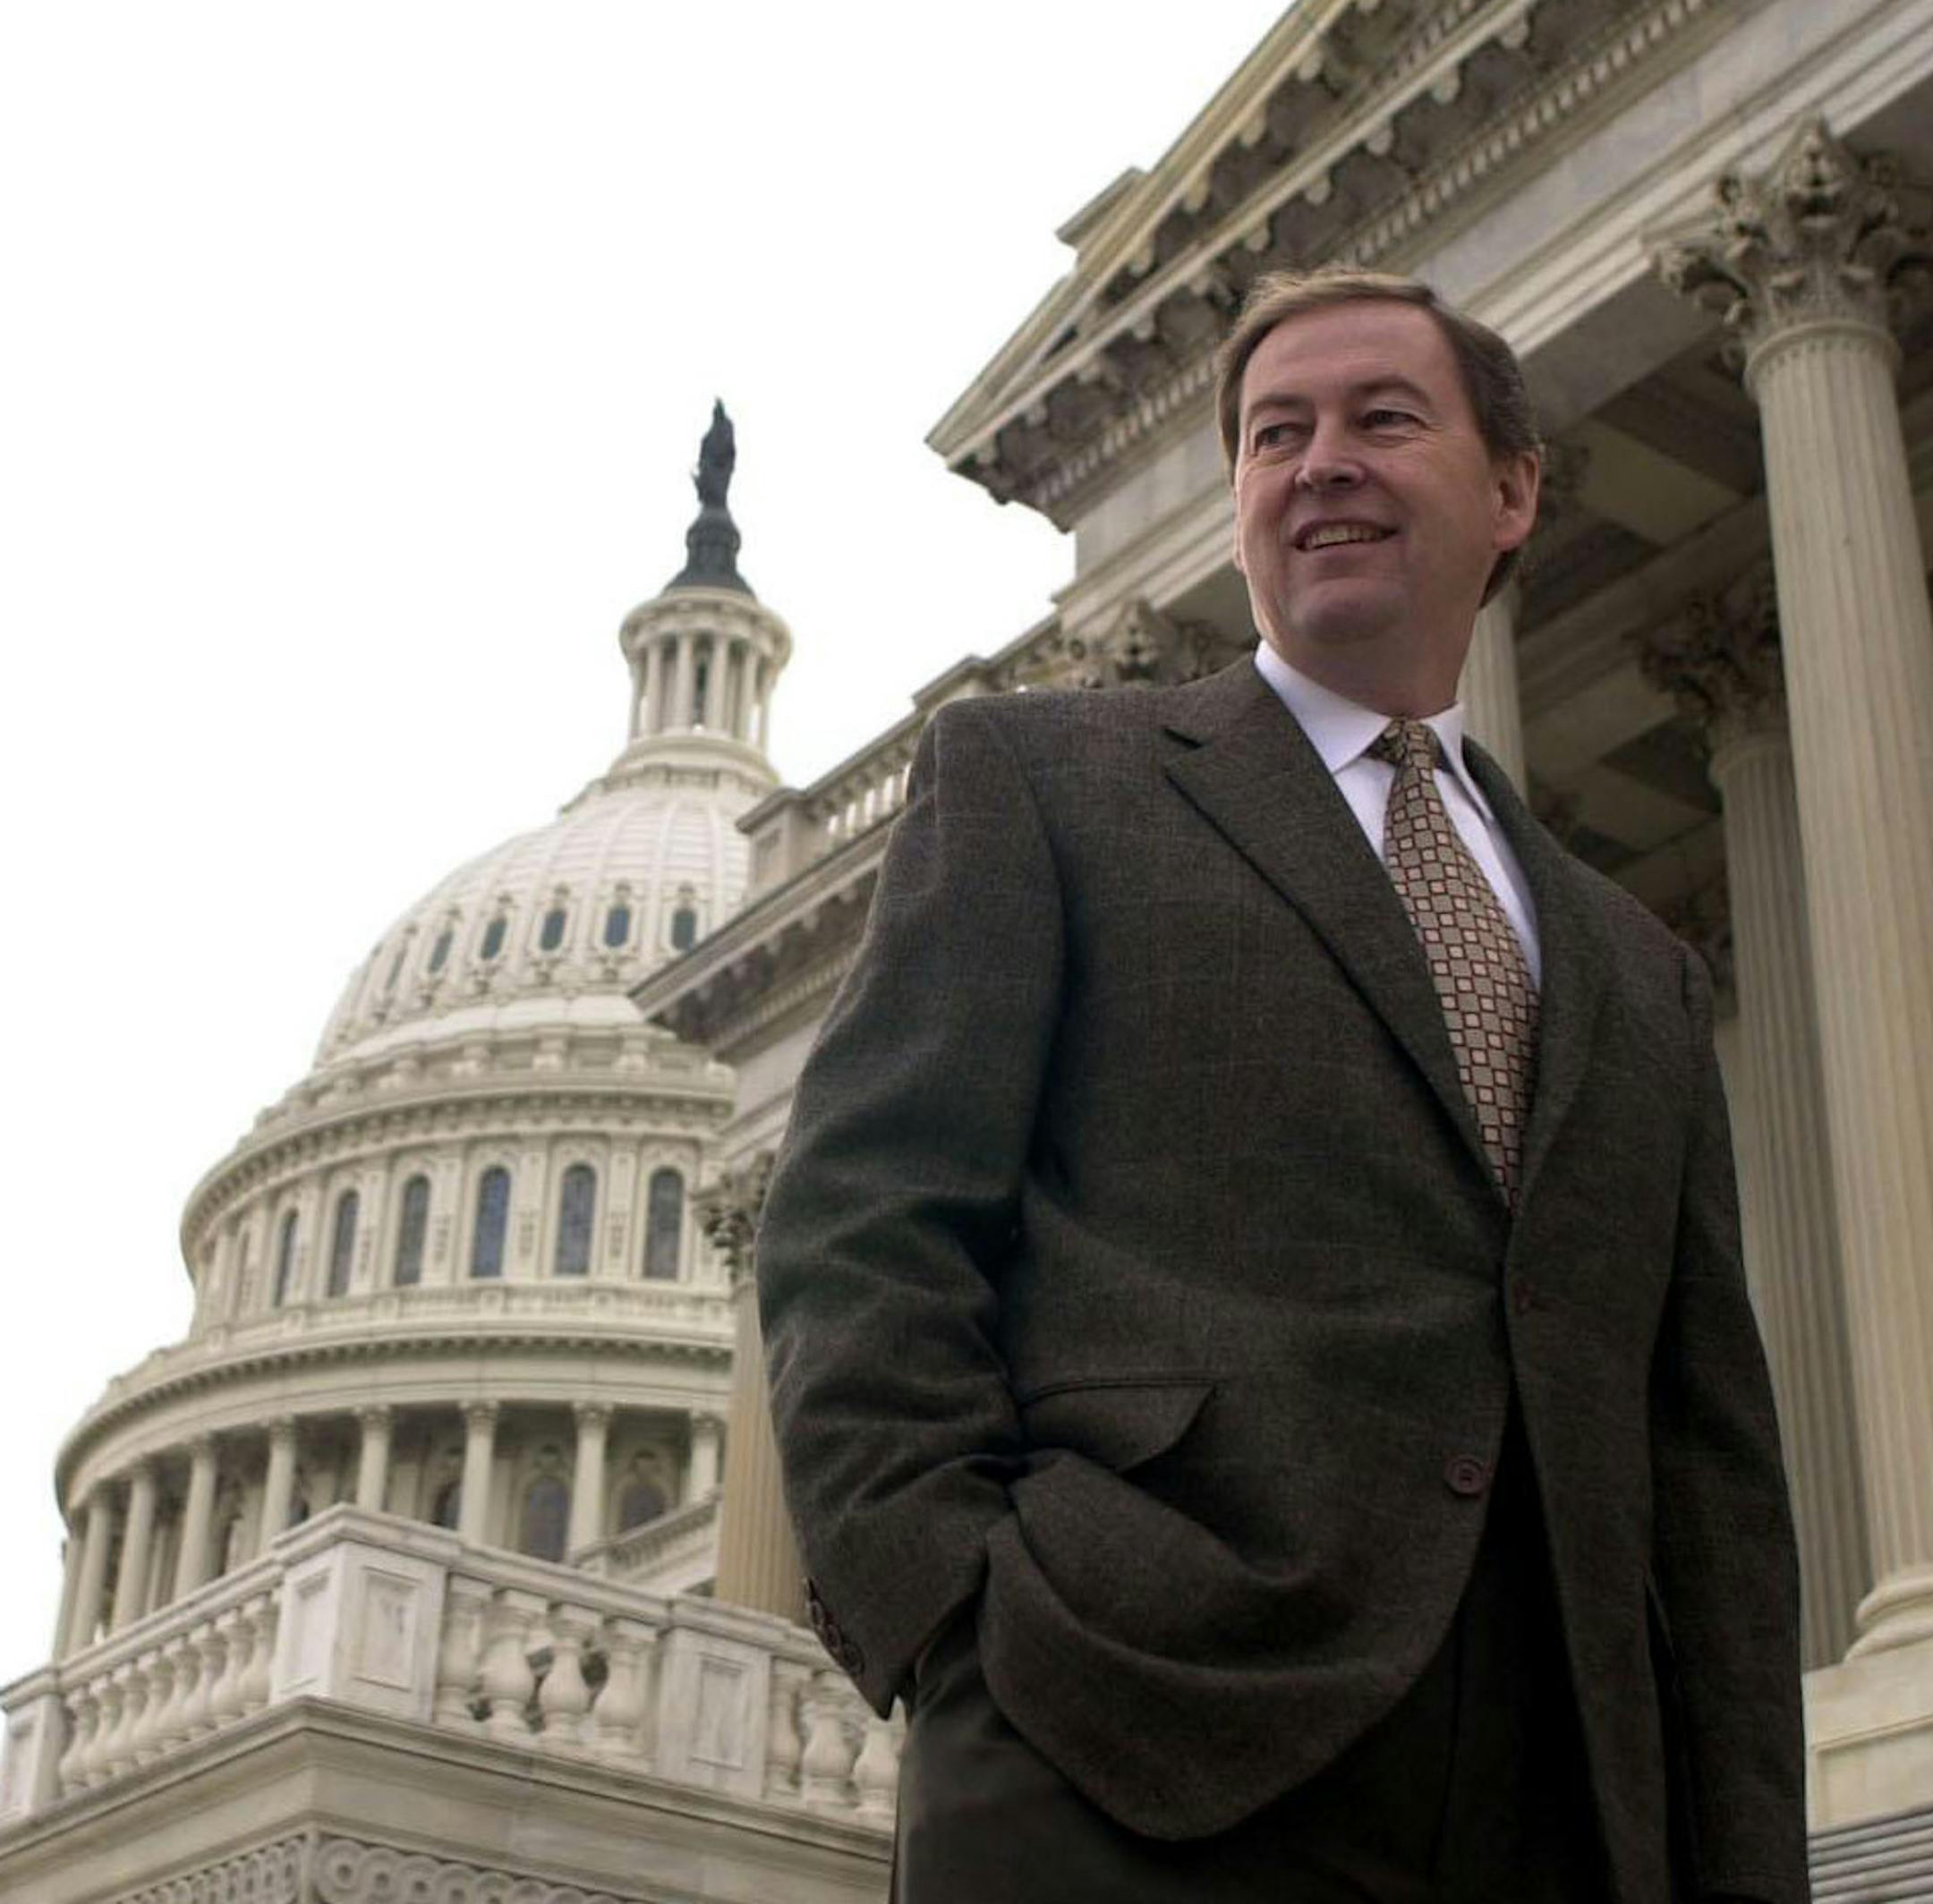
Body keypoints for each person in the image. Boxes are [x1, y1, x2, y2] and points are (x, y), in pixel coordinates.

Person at [755, 267, 1807, 1904]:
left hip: (1564, 1796)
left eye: (1385, 419)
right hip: (1134, 1733)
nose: (1321, 460)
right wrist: (959, 1627)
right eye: (1275, 434)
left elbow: (1709, 1457)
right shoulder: (1045, 784)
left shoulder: (1634, 964)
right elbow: (862, 1226)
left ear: (1513, 489)